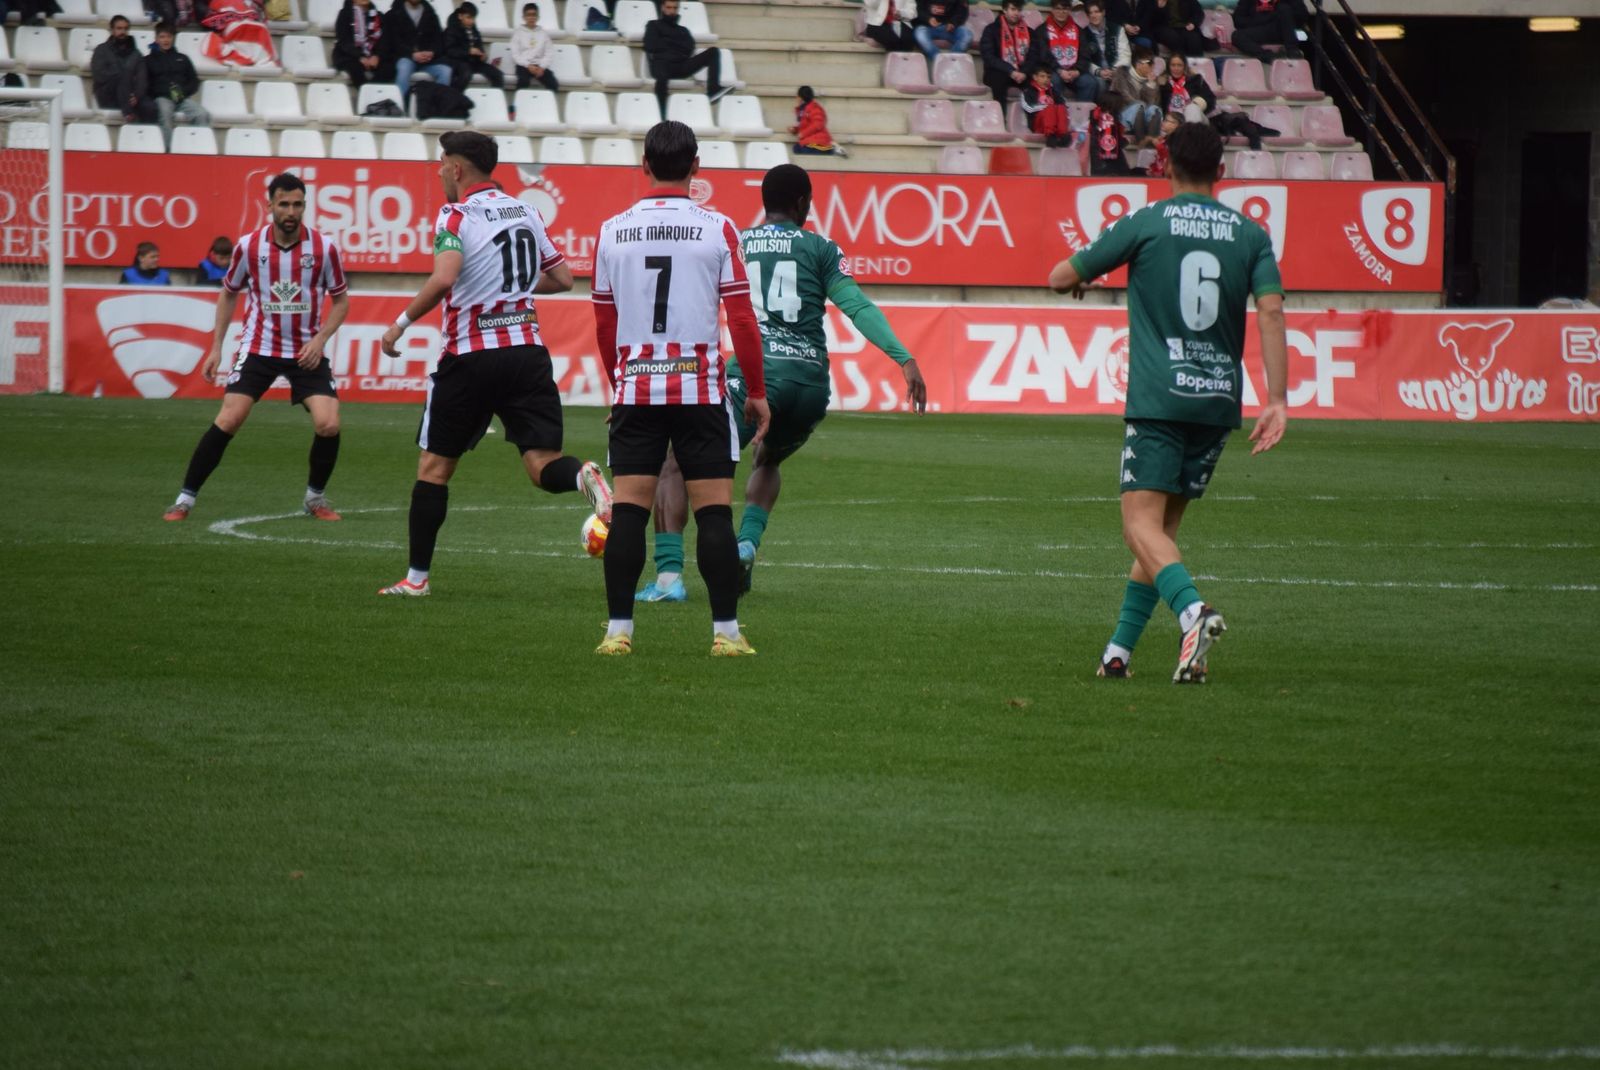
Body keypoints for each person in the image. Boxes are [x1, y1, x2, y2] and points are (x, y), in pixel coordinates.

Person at [1047, 122, 1288, 683]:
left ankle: (1193, 613)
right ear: (1221, 172)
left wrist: (1084, 275)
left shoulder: (1147, 220)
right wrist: (1277, 398)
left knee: (1138, 527)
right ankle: (1118, 654)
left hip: (1159, 397)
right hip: (1216, 402)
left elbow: (1060, 276)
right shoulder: (1251, 235)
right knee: (1161, 536)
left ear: (1163, 165)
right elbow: (1272, 312)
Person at [633, 163, 926, 606]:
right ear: (803, 202)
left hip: (753, 378)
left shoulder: (735, 241)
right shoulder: (822, 248)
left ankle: (670, 579)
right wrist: (904, 358)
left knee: (676, 462)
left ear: (763, 203)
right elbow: (856, 306)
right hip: (809, 385)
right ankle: (747, 544)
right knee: (768, 458)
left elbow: (690, 307)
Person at [377, 132, 612, 596]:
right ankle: (583, 476)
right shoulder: (526, 210)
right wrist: (510, 288)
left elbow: (445, 278)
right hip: (527, 353)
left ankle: (417, 580)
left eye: (443, 164)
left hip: (470, 358)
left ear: (458, 169)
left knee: (433, 469)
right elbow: (563, 278)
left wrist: (398, 324)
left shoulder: (455, 213)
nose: (441, 171)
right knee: (542, 466)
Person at [590, 120, 770, 656]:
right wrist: (756, 391)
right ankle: (726, 636)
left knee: (628, 513)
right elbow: (741, 319)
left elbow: (604, 321)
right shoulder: (718, 228)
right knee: (714, 512)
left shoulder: (611, 230)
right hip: (700, 390)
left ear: (644, 165)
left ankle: (618, 633)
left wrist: (616, 382)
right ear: (696, 168)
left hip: (637, 391)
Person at [162, 173, 351, 524]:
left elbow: (340, 301)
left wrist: (320, 339)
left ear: (304, 206)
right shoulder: (249, 247)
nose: (291, 211)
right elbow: (229, 292)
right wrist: (216, 347)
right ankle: (184, 499)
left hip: (305, 350)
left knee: (328, 424)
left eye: (297, 204)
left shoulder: (324, 249)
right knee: (229, 418)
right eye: (284, 204)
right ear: (270, 206)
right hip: (259, 347)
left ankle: (315, 497)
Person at [643, 0, 728, 116]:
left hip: (681, 66)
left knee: (713, 52)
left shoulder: (683, 30)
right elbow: (650, 45)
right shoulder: (653, 25)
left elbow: (689, 48)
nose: (672, 11)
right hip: (662, 65)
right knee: (662, 78)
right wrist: (675, 45)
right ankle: (661, 116)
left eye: (674, 8)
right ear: (663, 8)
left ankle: (713, 90)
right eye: (669, 7)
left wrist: (666, 42)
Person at [144, 22, 210, 150]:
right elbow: (146, 85)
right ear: (156, 39)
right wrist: (164, 92)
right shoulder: (147, 60)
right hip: (161, 98)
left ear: (173, 38)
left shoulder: (183, 58)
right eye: (162, 37)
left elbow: (194, 81)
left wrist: (182, 92)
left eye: (168, 37)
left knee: (202, 114)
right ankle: (168, 152)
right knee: (165, 115)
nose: (166, 40)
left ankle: (200, 150)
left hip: (182, 97)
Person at [1028, 0, 1096, 104]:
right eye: (1058, 9)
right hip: (1053, 70)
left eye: (1064, 9)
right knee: (1053, 81)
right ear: (1052, 10)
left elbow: (1085, 55)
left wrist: (1077, 71)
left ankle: (1081, 116)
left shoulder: (1078, 30)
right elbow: (1044, 56)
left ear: (1069, 10)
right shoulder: (1042, 30)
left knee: (1089, 82)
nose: (1061, 12)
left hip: (1074, 71)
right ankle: (1058, 112)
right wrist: (1060, 70)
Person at [384, 0, 451, 104]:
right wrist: (411, 54)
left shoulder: (431, 14)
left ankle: (439, 107)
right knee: (404, 67)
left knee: (445, 71)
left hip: (428, 61)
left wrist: (432, 52)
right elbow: (392, 42)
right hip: (405, 57)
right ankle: (399, 106)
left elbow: (438, 41)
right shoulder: (393, 14)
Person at [91, 15, 152, 122]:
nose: (123, 32)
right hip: (107, 94)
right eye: (119, 28)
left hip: (131, 97)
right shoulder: (101, 50)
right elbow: (99, 75)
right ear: (111, 30)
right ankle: (128, 113)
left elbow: (142, 79)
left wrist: (136, 96)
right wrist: (122, 78)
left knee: (151, 107)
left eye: (125, 29)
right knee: (121, 75)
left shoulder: (136, 54)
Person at [1106, 44, 1162, 147]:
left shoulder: (1152, 80)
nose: (1152, 66)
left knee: (1155, 109)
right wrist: (1141, 105)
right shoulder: (1122, 73)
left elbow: (1153, 104)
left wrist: (1150, 85)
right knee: (1138, 106)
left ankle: (1150, 144)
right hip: (1122, 115)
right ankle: (1141, 142)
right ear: (1138, 64)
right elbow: (1125, 97)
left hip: (1142, 117)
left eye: (1153, 63)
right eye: (1149, 63)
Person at [978, 0, 1030, 107]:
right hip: (999, 71)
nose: (1016, 13)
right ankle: (1001, 119)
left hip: (1022, 72)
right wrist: (1010, 71)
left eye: (1019, 10)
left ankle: (1033, 121)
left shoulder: (1029, 32)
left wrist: (1024, 72)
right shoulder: (991, 30)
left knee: (1038, 80)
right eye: (1013, 9)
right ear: (1004, 10)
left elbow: (1034, 56)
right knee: (999, 79)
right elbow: (989, 57)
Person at [333, 0, 395, 88]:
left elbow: (385, 40)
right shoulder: (345, 14)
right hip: (350, 56)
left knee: (389, 69)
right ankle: (367, 96)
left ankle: (370, 91)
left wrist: (377, 56)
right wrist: (360, 57)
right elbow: (344, 41)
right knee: (355, 68)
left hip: (373, 56)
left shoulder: (379, 16)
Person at [443, 1, 503, 89]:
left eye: (473, 18)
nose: (471, 21)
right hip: (458, 62)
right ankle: (455, 97)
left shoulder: (474, 30)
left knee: (497, 74)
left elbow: (479, 45)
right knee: (465, 74)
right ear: (460, 16)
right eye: (468, 17)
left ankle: (496, 97)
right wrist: (468, 51)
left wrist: (482, 55)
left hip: (474, 62)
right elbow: (450, 51)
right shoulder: (451, 30)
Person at [1231, 0, 1304, 61]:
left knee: (1284, 9)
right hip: (1259, 29)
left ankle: (1293, 52)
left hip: (1282, 30)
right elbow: (1238, 20)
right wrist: (1263, 19)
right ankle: (1269, 57)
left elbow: (1301, 18)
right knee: (1237, 36)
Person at [509, 1, 558, 92]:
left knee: (553, 83)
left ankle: (546, 105)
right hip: (524, 65)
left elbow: (549, 53)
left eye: (534, 15)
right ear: (524, 17)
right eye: (528, 15)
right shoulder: (518, 33)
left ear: (538, 17)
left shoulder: (543, 34)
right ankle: (518, 104)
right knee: (523, 81)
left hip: (539, 65)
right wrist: (528, 65)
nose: (531, 18)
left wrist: (542, 67)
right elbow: (515, 54)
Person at [1080, 0, 1129, 88]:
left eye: (1097, 12)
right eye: (1090, 13)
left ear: (1103, 12)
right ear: (1087, 16)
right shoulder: (1083, 34)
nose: (1094, 15)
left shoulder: (1117, 29)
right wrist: (1099, 72)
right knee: (1100, 83)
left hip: (1117, 69)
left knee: (1121, 79)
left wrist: (1114, 70)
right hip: (1097, 72)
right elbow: (1084, 60)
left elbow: (1125, 54)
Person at [1131, 0, 1207, 56]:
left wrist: (1193, 23)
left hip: (1184, 26)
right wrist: (1158, 7)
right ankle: (1180, 64)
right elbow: (1146, 20)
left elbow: (1198, 12)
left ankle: (1197, 67)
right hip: (1161, 27)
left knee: (1194, 39)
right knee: (1172, 37)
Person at [1020, 66, 1070, 147]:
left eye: (1048, 77)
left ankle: (1063, 134)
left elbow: (1064, 105)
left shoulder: (1053, 91)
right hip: (1038, 123)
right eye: (1042, 76)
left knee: (1060, 107)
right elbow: (1028, 108)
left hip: (1055, 123)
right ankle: (1050, 136)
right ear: (1035, 77)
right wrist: (1045, 107)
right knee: (1049, 108)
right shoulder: (1028, 92)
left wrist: (1055, 107)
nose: (1046, 79)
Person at [1159, 52, 1215, 122]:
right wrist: (1151, 84)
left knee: (1192, 108)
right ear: (1168, 67)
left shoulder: (1196, 80)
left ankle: (1189, 131)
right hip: (1170, 120)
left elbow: (1210, 99)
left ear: (1185, 66)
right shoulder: (1163, 84)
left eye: (1179, 65)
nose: (1176, 68)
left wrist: (1197, 103)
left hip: (1195, 117)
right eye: (1173, 65)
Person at [790, 85, 843, 156]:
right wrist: (795, 130)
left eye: (797, 96)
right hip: (809, 141)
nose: (796, 98)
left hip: (818, 141)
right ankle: (830, 149)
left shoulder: (814, 108)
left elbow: (818, 124)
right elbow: (805, 125)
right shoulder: (803, 110)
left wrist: (803, 134)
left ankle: (831, 149)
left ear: (801, 97)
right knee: (797, 148)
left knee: (805, 149)